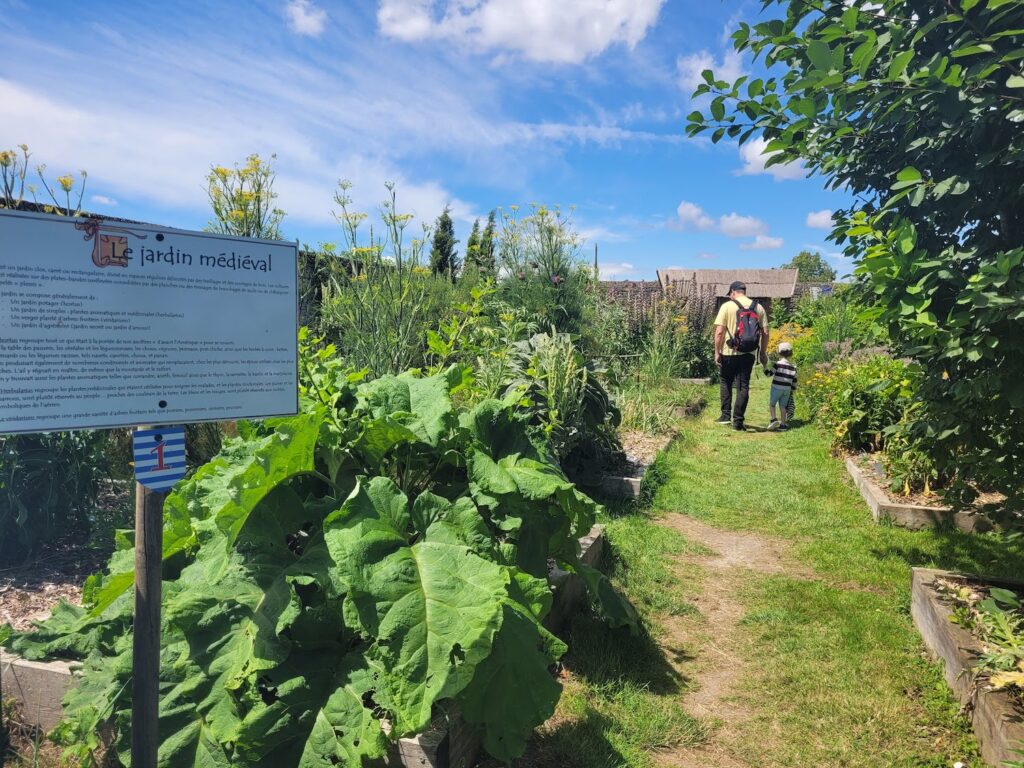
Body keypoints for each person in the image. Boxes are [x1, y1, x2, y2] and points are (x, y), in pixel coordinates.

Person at [714, 281, 769, 430]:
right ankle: (738, 422)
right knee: (743, 385)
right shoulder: (758, 307)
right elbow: (765, 333)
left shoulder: (727, 306)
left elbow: (719, 332)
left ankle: (725, 416)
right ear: (744, 291)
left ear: (733, 292)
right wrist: (762, 353)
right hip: (749, 353)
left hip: (729, 351)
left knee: (726, 381)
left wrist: (717, 352)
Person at [765, 341, 797, 431]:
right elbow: (794, 381)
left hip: (776, 388)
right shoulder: (793, 367)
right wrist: (793, 390)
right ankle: (783, 425)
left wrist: (765, 367)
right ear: (790, 353)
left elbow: (769, 374)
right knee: (783, 406)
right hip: (787, 390)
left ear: (779, 353)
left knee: (772, 404)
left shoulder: (778, 364)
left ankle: (774, 419)